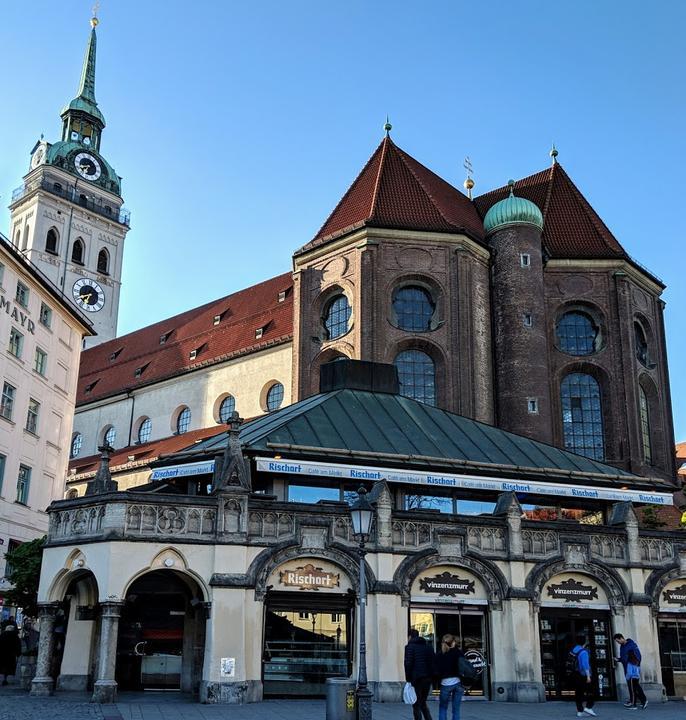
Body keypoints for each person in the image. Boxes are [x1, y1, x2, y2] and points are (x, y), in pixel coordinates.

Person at [404, 628, 435, 720]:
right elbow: (433, 662)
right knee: (423, 702)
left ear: (410, 636)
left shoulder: (409, 647)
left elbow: (408, 664)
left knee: (416, 703)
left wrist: (408, 679)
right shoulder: (428, 647)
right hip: (427, 678)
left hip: (416, 678)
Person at [434, 634, 464, 720]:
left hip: (445, 683)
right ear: (453, 642)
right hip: (458, 682)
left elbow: (436, 670)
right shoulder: (458, 652)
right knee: (456, 709)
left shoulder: (439, 655)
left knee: (443, 708)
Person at [613, 634, 647, 710]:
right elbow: (624, 658)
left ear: (621, 638)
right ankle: (641, 700)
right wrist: (618, 659)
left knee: (633, 686)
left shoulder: (631, 645)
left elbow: (638, 656)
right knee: (633, 686)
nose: (618, 643)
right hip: (627, 668)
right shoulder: (622, 646)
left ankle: (635, 702)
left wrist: (635, 666)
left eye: (618, 641)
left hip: (632, 669)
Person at [571, 635, 597, 717]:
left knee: (578, 693)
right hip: (583, 675)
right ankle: (589, 707)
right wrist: (588, 676)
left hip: (575, 674)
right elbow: (585, 665)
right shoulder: (584, 652)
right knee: (592, 691)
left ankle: (580, 711)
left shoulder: (574, 650)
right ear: (584, 642)